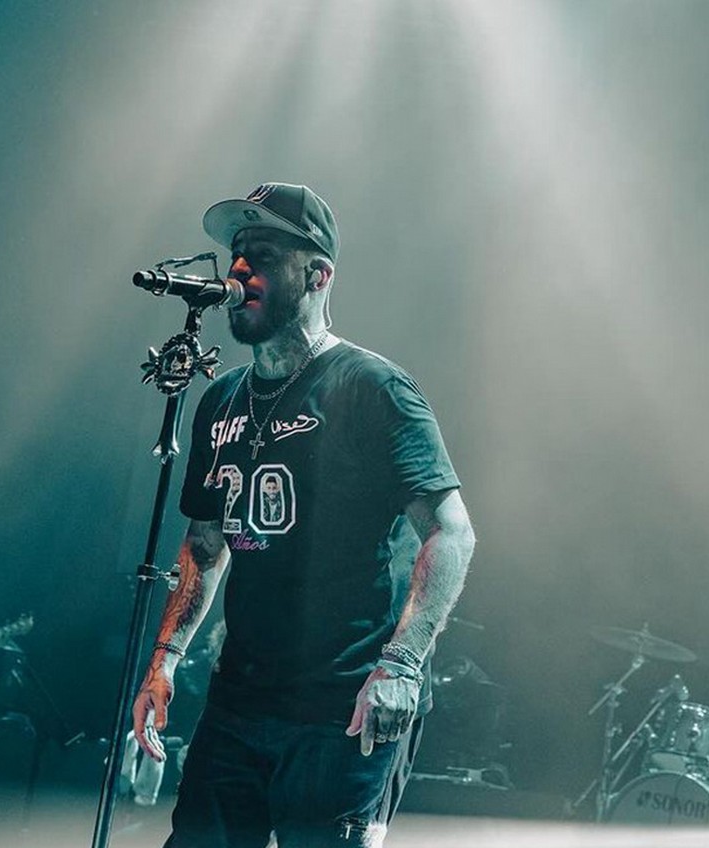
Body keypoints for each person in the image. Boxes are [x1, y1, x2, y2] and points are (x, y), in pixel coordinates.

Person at [130, 182, 476, 847]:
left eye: (260, 253)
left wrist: (401, 666)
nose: (238, 269)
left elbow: (450, 531)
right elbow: (204, 545)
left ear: (317, 274)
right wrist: (166, 657)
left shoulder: (374, 390)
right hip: (240, 703)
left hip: (345, 709)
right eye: (235, 254)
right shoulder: (221, 400)